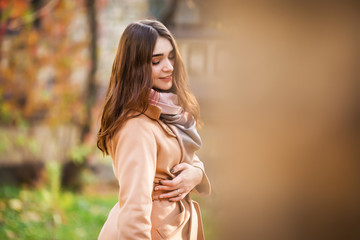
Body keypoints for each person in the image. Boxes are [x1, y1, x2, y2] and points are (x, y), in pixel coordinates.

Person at [97, 19, 211, 240]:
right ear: (135, 68)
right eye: (156, 61)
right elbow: (134, 211)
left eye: (171, 57)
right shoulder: (136, 126)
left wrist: (196, 173)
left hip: (171, 228)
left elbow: (182, 153)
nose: (168, 67)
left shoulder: (164, 110)